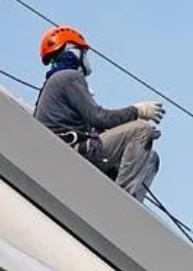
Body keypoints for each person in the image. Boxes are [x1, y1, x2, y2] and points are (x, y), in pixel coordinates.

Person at [32, 26, 165, 201]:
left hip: (73, 148)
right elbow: (100, 118)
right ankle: (122, 202)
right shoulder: (69, 77)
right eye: (84, 52)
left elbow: (92, 125)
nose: (87, 58)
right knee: (142, 130)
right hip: (72, 152)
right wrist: (137, 111)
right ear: (73, 51)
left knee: (150, 158)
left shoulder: (57, 81)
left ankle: (127, 204)